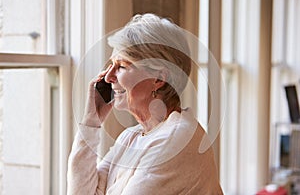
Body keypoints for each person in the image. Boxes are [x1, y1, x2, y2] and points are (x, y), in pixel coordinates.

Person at [67, 13, 223, 195]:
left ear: (158, 78)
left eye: (122, 66)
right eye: (111, 65)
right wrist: (91, 122)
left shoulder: (176, 139)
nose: (108, 77)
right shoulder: (131, 137)